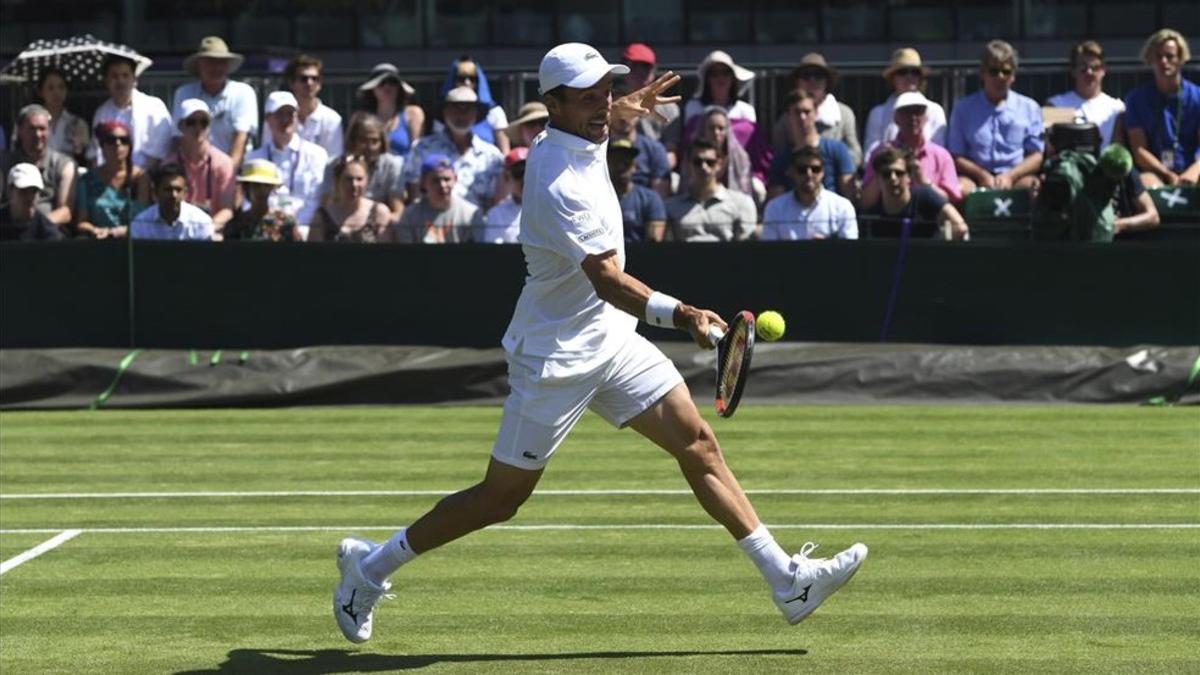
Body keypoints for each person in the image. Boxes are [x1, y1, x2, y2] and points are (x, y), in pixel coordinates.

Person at [331, 42, 867, 645]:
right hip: (556, 357)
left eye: (605, 92)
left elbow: (608, 118)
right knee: (499, 499)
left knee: (698, 443)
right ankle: (370, 567)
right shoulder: (559, 181)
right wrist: (684, 313)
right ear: (552, 104)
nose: (601, 106)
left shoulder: (585, 129)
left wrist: (630, 104)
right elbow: (608, 280)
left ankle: (786, 579)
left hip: (610, 342)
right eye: (587, 97)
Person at [947, 41, 1044, 193]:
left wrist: (1011, 176)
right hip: (974, 178)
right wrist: (981, 175)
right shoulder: (963, 109)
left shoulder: (1030, 108)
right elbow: (956, 155)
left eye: (1006, 72)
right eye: (993, 71)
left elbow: (1037, 155)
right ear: (982, 74)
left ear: (1013, 76)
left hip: (1017, 176)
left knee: (1036, 189)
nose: (1000, 77)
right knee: (958, 189)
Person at [403, 87, 504, 210]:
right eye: (455, 108)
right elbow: (415, 196)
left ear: (476, 114)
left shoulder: (492, 155)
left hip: (478, 226)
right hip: (431, 225)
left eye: (467, 109)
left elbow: (498, 202)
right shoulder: (421, 148)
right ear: (444, 113)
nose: (461, 115)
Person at [1124, 29, 1200, 187]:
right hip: (1155, 171)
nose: (1164, 61)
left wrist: (1194, 171)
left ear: (1181, 58)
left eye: (1170, 56)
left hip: (1193, 169)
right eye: (1158, 56)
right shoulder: (1136, 99)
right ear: (1150, 59)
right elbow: (1139, 150)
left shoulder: (1197, 97)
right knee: (1146, 185)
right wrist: (1166, 173)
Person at [861, 91, 962, 209]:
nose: (913, 117)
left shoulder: (941, 155)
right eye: (906, 112)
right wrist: (884, 172)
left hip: (929, 222)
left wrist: (924, 182)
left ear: (926, 118)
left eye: (918, 112)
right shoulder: (880, 153)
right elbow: (865, 202)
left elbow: (952, 203)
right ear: (896, 118)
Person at [171, 36, 258, 169]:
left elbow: (241, 139)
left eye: (222, 62)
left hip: (234, 171)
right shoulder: (183, 94)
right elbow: (179, 139)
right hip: (194, 171)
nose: (216, 67)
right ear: (199, 65)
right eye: (210, 62)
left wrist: (227, 174)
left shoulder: (243, 93)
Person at [246, 91, 329, 226]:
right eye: (279, 114)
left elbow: (318, 199)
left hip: (306, 230)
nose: (285, 120)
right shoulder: (253, 158)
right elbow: (248, 200)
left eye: (290, 114)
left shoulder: (317, 155)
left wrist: (295, 226)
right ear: (268, 119)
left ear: (297, 117)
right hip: (265, 230)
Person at [862, 147, 968, 240]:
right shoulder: (873, 216)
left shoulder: (926, 198)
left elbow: (960, 226)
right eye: (886, 174)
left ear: (909, 177)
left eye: (899, 173)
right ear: (877, 179)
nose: (893, 178)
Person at [767, 90, 855, 201]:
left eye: (807, 111)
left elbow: (849, 194)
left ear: (816, 113)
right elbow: (775, 202)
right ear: (788, 116)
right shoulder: (781, 158)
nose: (802, 117)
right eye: (797, 112)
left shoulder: (837, 149)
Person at [90, 55, 173, 170]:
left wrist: (138, 175)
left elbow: (162, 149)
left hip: (150, 176)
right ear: (106, 81)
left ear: (135, 79)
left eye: (125, 75)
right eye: (114, 76)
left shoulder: (155, 107)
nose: (120, 81)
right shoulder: (101, 113)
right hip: (111, 179)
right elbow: (95, 154)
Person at [666, 139, 758, 242]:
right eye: (697, 162)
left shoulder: (741, 203)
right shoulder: (671, 207)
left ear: (719, 164)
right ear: (688, 165)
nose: (704, 167)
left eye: (710, 162)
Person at [0, 104, 75, 228]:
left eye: (42, 128)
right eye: (32, 128)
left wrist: (36, 227)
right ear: (20, 131)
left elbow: (65, 212)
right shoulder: (3, 164)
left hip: (48, 236)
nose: (38, 134)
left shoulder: (64, 164)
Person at [762, 145, 858, 241]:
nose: (809, 174)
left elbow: (850, 252)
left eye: (815, 169)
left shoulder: (842, 207)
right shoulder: (775, 208)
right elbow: (770, 252)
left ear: (823, 172)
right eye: (802, 170)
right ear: (791, 172)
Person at [864, 48, 948, 156]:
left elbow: (940, 153)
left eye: (914, 72)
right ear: (892, 78)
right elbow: (869, 156)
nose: (909, 76)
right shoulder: (877, 113)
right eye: (902, 72)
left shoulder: (935, 110)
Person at [784, 53, 862, 168]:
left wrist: (834, 167)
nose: (812, 80)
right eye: (806, 76)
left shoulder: (844, 114)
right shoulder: (787, 117)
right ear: (797, 82)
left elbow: (855, 154)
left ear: (827, 82)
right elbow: (781, 155)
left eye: (818, 76)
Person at [74, 121, 148, 239]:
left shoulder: (140, 177)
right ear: (102, 146)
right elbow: (81, 222)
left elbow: (146, 220)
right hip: (98, 240)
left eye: (123, 140)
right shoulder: (87, 180)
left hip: (133, 241)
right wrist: (95, 230)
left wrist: (117, 232)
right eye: (111, 140)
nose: (118, 144)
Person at [172, 99, 236, 233]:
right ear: (180, 126)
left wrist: (206, 230)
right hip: (176, 231)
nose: (198, 128)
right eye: (191, 122)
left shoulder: (224, 163)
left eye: (204, 122)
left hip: (212, 232)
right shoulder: (170, 163)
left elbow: (227, 210)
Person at [1046, 41, 1126, 149]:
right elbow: (1048, 147)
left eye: (1095, 68)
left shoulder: (1117, 108)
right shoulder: (1056, 104)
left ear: (1103, 71)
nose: (1089, 73)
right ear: (1073, 71)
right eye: (1083, 68)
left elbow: (1117, 147)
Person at [264, 54, 344, 159]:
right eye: (303, 79)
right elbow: (267, 151)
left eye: (315, 79)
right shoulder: (275, 116)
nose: (309, 83)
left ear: (320, 84)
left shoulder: (332, 119)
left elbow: (334, 159)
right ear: (291, 82)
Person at [330, 113, 407, 221]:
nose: (369, 147)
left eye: (374, 141)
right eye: (363, 141)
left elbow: (398, 210)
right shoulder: (337, 166)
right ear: (353, 141)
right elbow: (329, 204)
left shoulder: (392, 166)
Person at [394, 154, 481, 244]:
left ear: (455, 179)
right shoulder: (410, 216)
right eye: (436, 180)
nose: (442, 185)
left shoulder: (471, 214)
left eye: (447, 179)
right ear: (423, 182)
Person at [622, 42, 682, 167]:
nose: (640, 73)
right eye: (635, 67)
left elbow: (671, 152)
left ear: (654, 71)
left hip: (653, 167)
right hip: (618, 164)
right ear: (625, 69)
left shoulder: (670, 108)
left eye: (646, 67)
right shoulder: (614, 103)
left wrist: (658, 171)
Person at [308, 155, 392, 243]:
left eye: (359, 179)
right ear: (337, 180)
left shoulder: (379, 213)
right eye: (348, 179)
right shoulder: (322, 217)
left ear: (367, 181)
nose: (354, 185)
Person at [437, 57, 510, 153]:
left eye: (472, 79)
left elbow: (504, 151)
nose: (467, 83)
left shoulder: (494, 112)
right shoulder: (444, 111)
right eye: (461, 79)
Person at [683, 106, 756, 202]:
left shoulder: (740, 157)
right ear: (703, 129)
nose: (716, 132)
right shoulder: (694, 154)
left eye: (721, 128)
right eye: (711, 128)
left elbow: (745, 191)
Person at [356, 63, 424, 159]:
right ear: (372, 89)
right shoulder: (361, 117)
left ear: (399, 88)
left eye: (392, 82)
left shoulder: (413, 114)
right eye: (381, 83)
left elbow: (417, 152)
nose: (387, 86)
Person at [130, 164, 214, 240]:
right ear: (155, 192)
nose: (174, 195)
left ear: (185, 193)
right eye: (168, 190)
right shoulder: (141, 223)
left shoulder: (201, 223)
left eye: (178, 190)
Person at [224, 159, 301, 242]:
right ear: (247, 187)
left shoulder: (286, 223)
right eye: (256, 185)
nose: (262, 190)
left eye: (266, 185)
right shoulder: (235, 225)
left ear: (272, 188)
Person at [609, 138, 667, 242]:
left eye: (626, 162)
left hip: (641, 256)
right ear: (607, 165)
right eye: (616, 161)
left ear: (634, 166)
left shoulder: (650, 199)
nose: (621, 167)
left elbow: (654, 243)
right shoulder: (596, 198)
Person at [609, 108, 671, 196]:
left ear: (640, 114)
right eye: (619, 112)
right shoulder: (597, 149)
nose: (624, 117)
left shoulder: (655, 149)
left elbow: (661, 195)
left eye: (630, 112)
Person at [35, 67, 89, 163]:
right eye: (50, 88)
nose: (57, 93)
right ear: (41, 92)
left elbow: (86, 159)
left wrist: (79, 149)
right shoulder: (32, 123)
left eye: (61, 87)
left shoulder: (78, 124)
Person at [0, 163, 63, 241]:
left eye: (34, 191)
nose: (29, 198)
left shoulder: (49, 233)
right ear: (9, 192)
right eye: (23, 191)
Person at [479, 147, 527, 244]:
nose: (524, 179)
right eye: (518, 173)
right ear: (507, 177)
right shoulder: (496, 214)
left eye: (528, 172)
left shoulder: (548, 208)